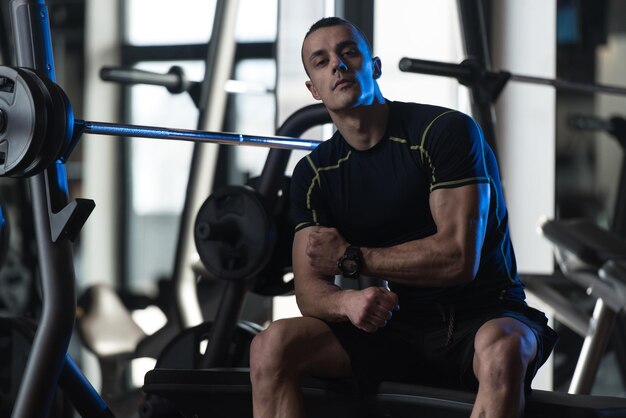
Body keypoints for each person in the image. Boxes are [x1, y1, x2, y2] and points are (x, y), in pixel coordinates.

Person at [249, 16, 558, 418]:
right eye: (321, 61)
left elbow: (457, 259)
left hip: (486, 315)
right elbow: (309, 292)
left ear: (374, 66)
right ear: (313, 88)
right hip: (399, 325)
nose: (337, 66)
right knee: (271, 345)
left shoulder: (444, 132)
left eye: (348, 53)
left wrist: (352, 258)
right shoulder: (315, 174)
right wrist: (347, 301)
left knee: (503, 349)